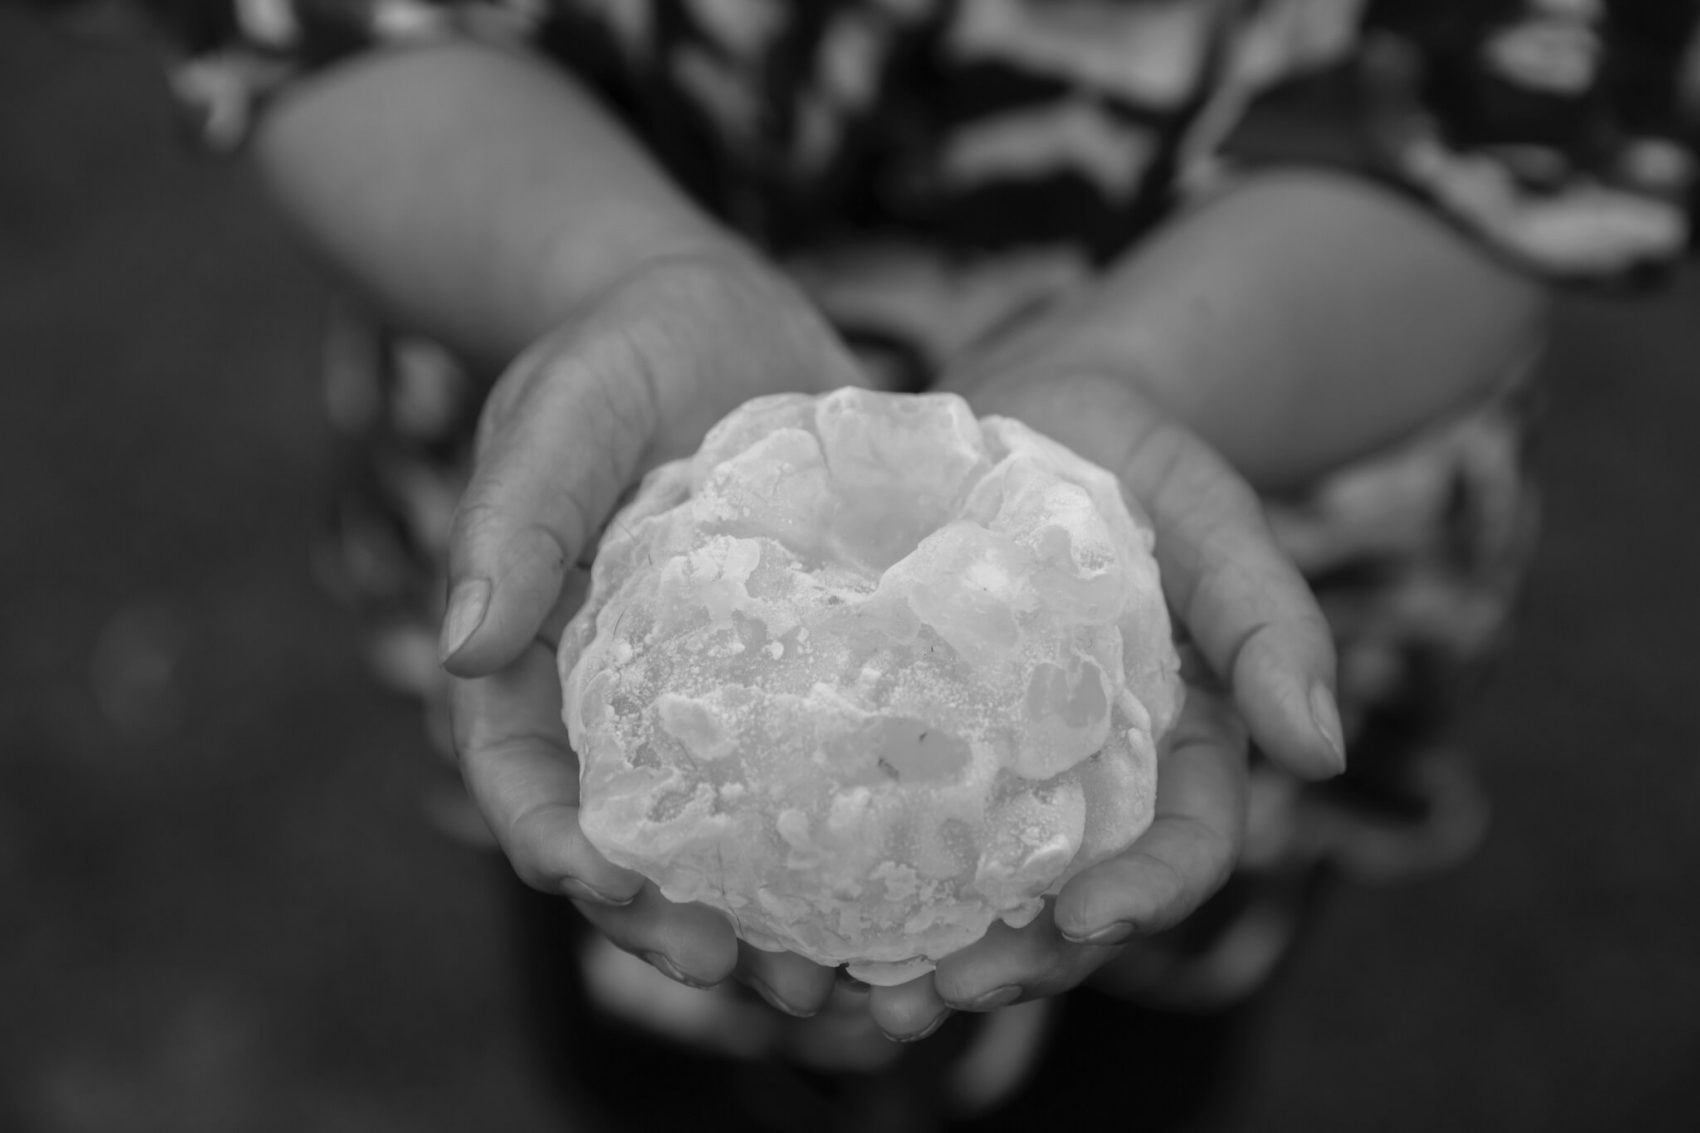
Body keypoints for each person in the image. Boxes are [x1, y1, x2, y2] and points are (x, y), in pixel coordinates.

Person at [75, 0, 1700, 1128]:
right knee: (644, 1038)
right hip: (591, 470)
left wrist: (1153, 378)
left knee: (1125, 1058)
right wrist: (616, 266)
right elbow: (321, 26)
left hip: (1264, 471)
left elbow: (1517, 124)